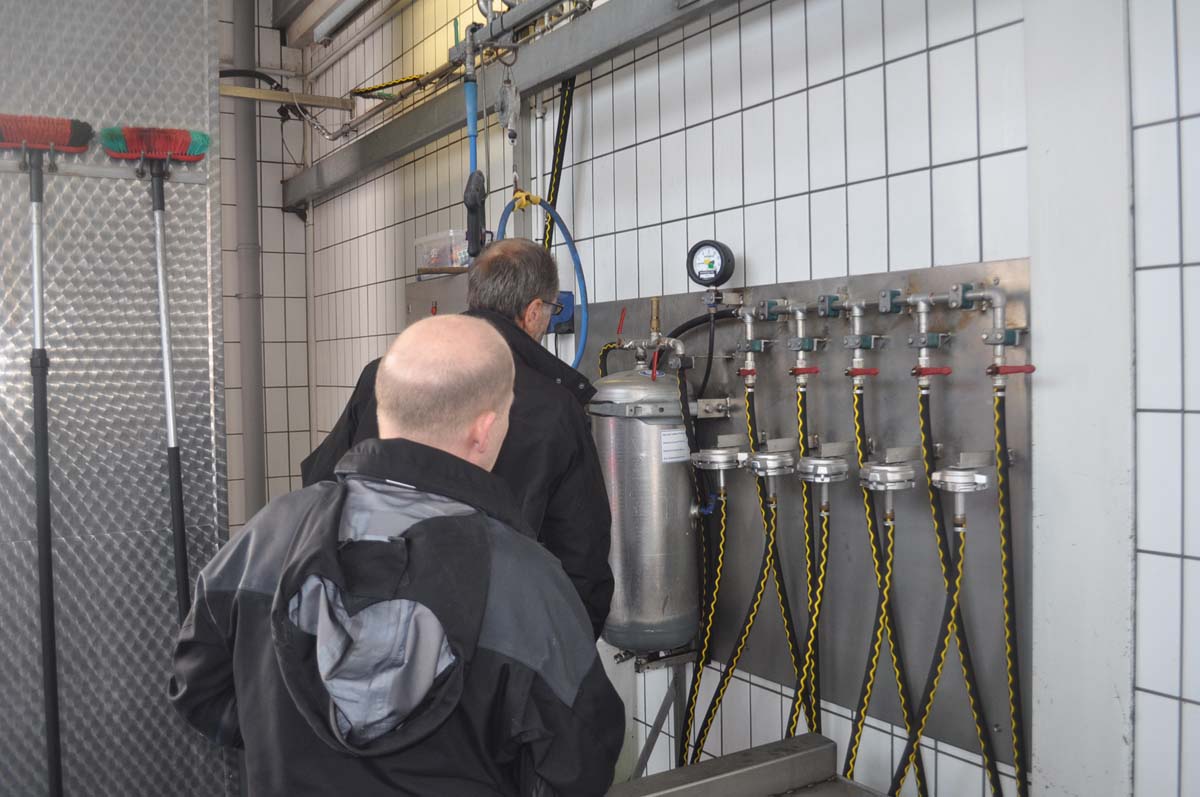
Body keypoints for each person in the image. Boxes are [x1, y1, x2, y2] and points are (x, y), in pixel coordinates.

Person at [169, 315, 624, 796]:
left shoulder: (269, 533)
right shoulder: (524, 579)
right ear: (484, 430)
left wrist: (287, 742)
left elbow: (197, 685)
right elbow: (582, 762)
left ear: (385, 408)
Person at [301, 238, 614, 639]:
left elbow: (322, 485)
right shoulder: (553, 407)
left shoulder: (384, 374)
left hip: (367, 625)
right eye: (550, 311)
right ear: (534, 311)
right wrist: (564, 653)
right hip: (491, 640)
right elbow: (581, 559)